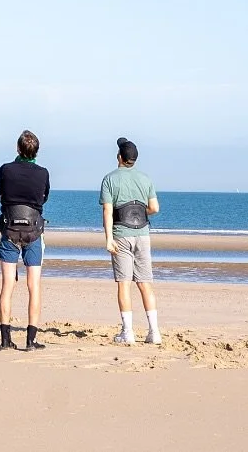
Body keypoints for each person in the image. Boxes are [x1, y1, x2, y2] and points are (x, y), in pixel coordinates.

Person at [101, 136, 160, 344]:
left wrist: (109, 238)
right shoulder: (146, 179)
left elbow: (108, 211)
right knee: (145, 284)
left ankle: (128, 332)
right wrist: (138, 211)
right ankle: (154, 332)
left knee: (124, 284)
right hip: (143, 235)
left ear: (119, 157)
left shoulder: (110, 179)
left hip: (121, 234)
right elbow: (154, 209)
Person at [0, 129, 50, 350]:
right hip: (34, 231)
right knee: (33, 285)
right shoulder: (43, 173)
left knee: (8, 284)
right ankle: (31, 339)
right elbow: (44, 197)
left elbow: (1, 194)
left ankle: (5, 339)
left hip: (9, 229)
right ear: (36, 151)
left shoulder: (5, 170)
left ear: (18, 149)